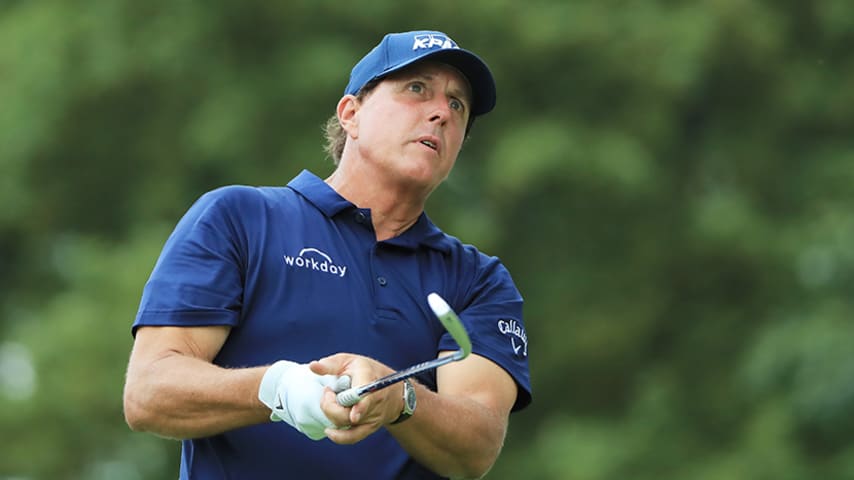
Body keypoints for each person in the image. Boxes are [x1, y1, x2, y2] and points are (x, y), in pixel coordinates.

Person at [123, 29, 532, 479]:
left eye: (458, 104)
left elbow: (476, 447)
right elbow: (150, 391)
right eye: (417, 89)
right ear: (351, 114)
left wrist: (400, 399)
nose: (441, 112)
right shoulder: (241, 217)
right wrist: (279, 389)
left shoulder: (477, 279)